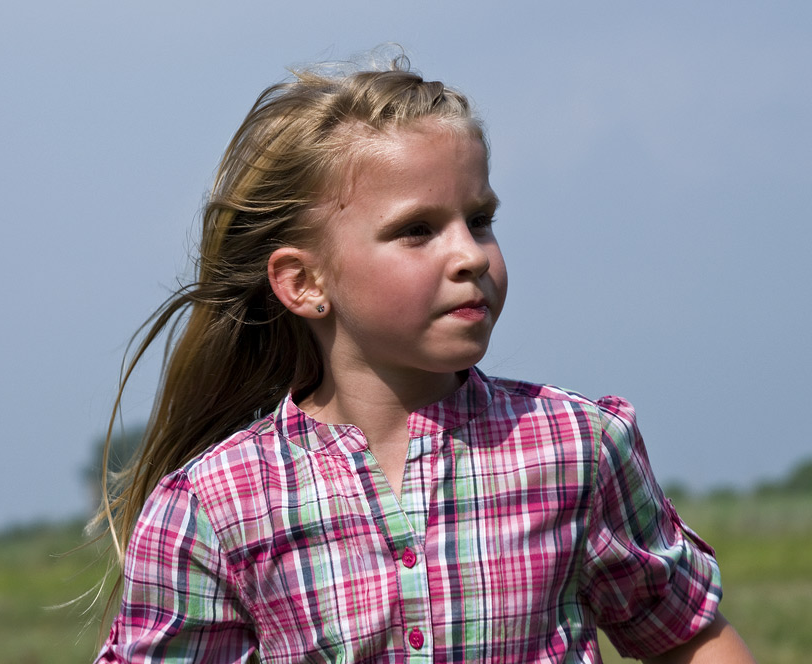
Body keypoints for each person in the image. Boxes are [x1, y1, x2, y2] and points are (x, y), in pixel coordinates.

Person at [91, 54, 755, 663]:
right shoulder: (214, 507)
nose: (469, 255)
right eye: (417, 230)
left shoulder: (576, 448)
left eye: (481, 218)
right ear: (305, 282)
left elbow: (686, 636)